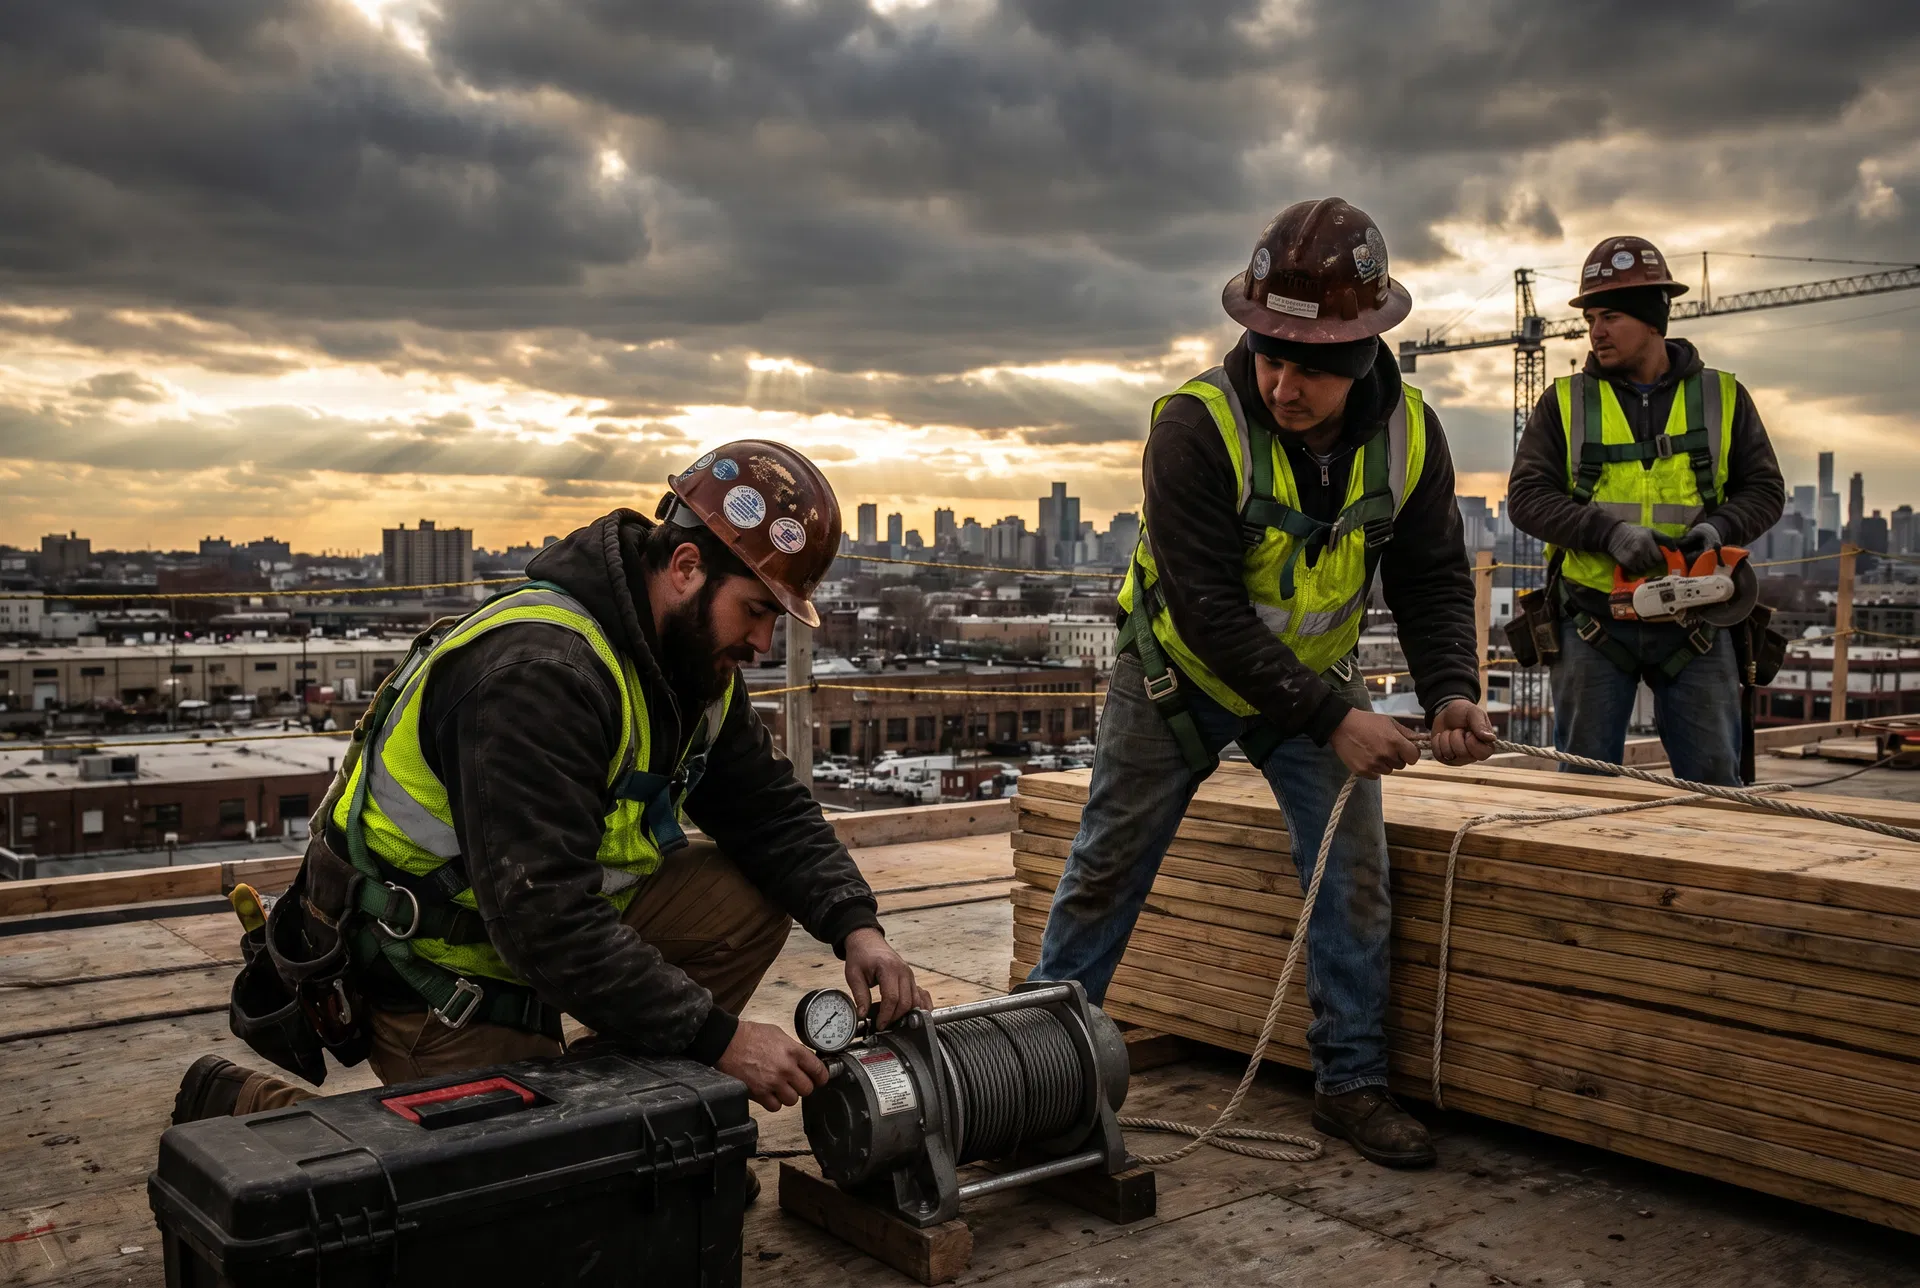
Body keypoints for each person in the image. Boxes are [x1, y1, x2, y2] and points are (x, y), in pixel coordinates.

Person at [176, 442, 931, 1189]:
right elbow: (545, 920)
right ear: (685, 567)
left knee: (746, 900)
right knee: (515, 1200)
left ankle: (617, 1121)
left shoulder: (690, 665)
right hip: (435, 965)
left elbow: (768, 811)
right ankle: (255, 1110)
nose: (764, 643)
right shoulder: (538, 674)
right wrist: (719, 1040)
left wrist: (856, 927)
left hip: (542, 928)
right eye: (758, 610)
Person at [1029, 198, 1497, 1169]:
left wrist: (1451, 689)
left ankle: (1351, 1083)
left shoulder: (1410, 435)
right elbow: (1209, 611)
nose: (1283, 386)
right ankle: (1035, 1076)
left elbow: (1431, 577)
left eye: (1310, 369)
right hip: (1179, 677)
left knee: (1354, 874)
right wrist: (1335, 720)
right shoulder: (1196, 428)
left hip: (1309, 683)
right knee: (1106, 868)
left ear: (1363, 354)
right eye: (1269, 358)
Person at [1507, 236, 1785, 784]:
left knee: (1713, 786)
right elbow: (1527, 497)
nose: (1596, 332)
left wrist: (1717, 529)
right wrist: (1608, 534)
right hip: (1593, 621)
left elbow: (1765, 489)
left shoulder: (1722, 397)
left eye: (1611, 316)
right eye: (1591, 319)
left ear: (1654, 320)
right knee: (1585, 788)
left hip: (1698, 619)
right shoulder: (1565, 403)